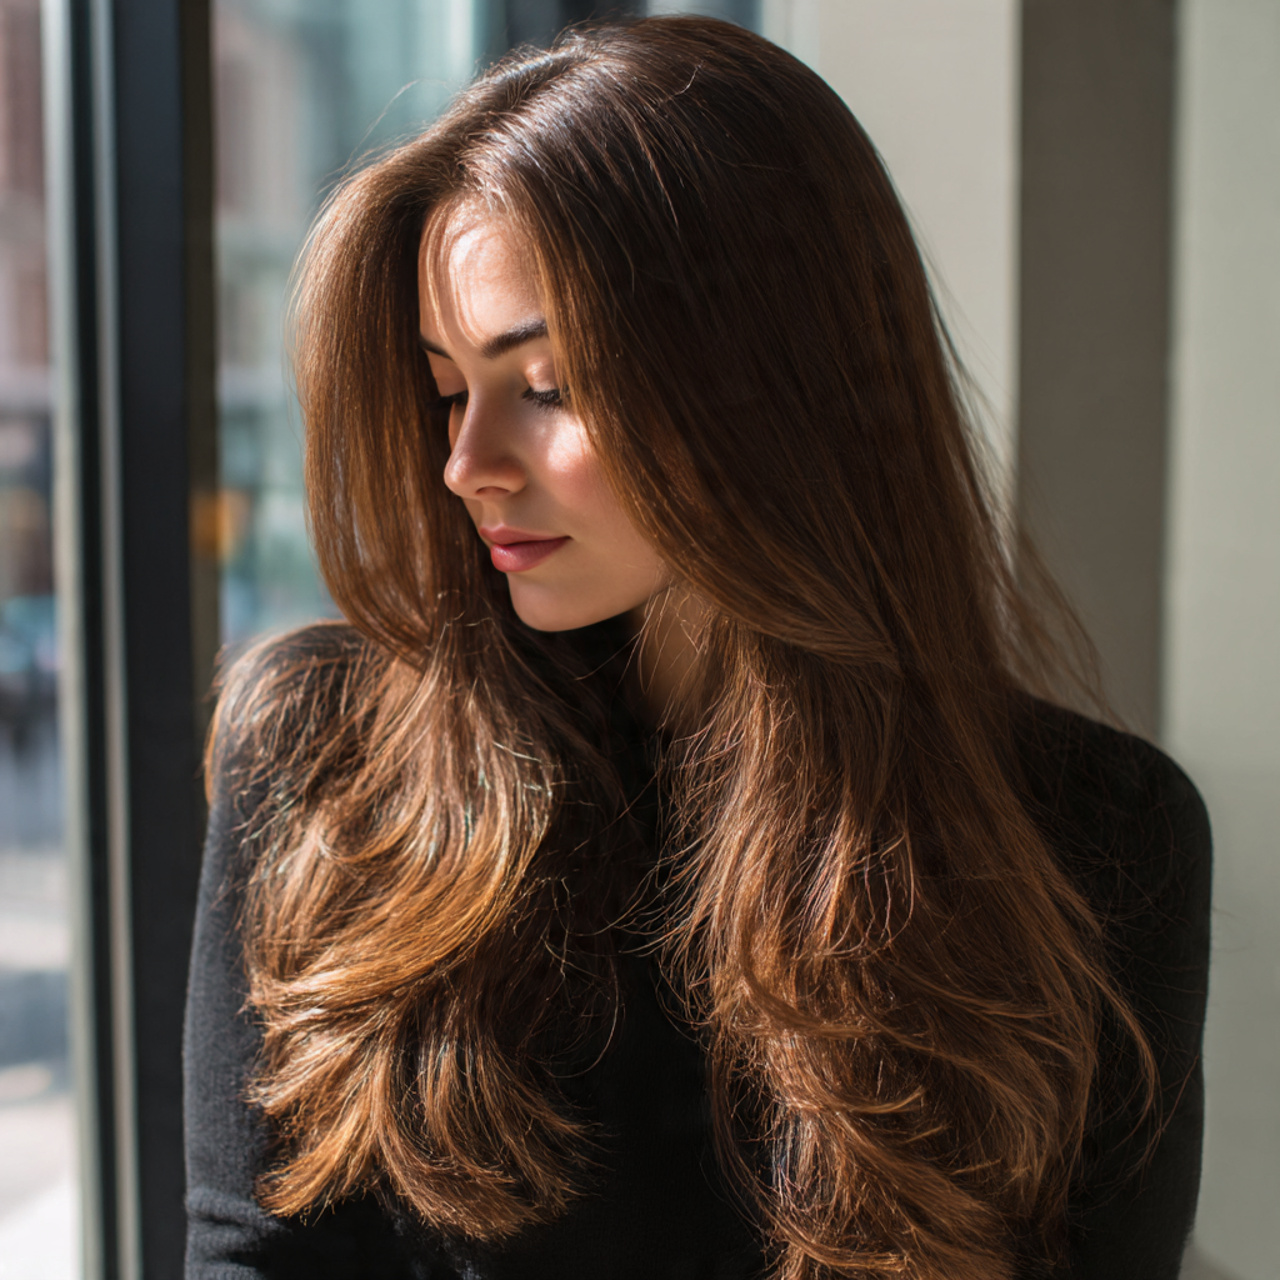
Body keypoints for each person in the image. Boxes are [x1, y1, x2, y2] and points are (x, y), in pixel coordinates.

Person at [183, 16, 1211, 1280]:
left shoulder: (1098, 834)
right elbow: (255, 1250)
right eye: (450, 384)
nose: (465, 464)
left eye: (546, 384)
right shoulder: (322, 750)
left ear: (769, 385)